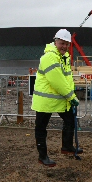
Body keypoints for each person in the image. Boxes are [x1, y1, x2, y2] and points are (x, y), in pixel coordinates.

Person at [31, 29, 83, 167]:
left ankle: (67, 147)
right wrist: (71, 96)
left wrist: (70, 94)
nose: (64, 47)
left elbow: (66, 79)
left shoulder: (64, 57)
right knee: (41, 127)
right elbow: (57, 81)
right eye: (62, 43)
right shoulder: (49, 57)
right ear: (56, 42)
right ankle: (42, 156)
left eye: (67, 44)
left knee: (70, 120)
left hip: (60, 99)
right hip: (45, 100)